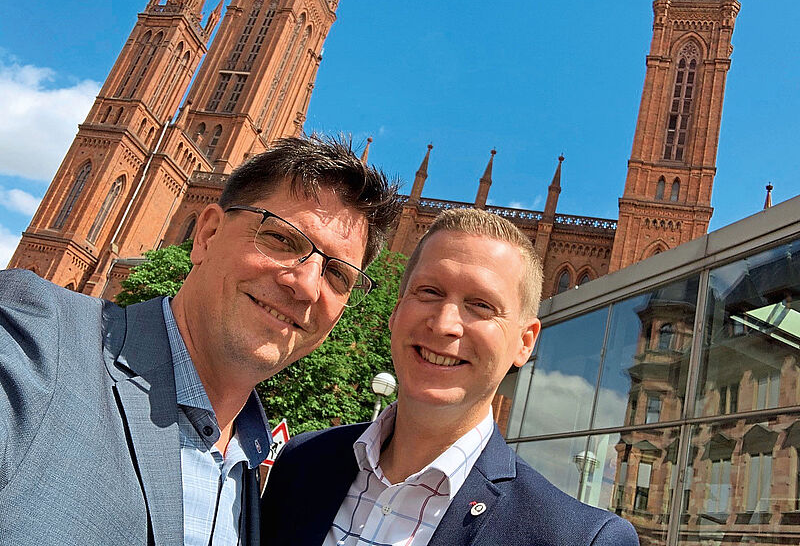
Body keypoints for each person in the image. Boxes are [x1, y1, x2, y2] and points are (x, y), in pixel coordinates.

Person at [0, 136, 401, 546]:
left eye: (337, 275)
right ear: (207, 234)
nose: (306, 286)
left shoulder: (255, 469)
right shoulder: (39, 337)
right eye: (282, 239)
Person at [261, 208, 640, 546]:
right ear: (396, 310)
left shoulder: (580, 539)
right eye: (429, 292)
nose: (444, 325)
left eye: (481, 305)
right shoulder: (302, 463)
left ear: (524, 343)